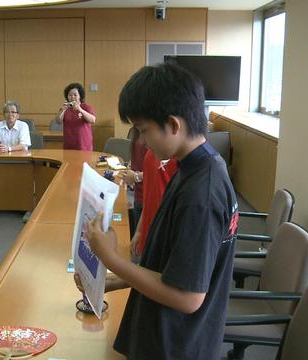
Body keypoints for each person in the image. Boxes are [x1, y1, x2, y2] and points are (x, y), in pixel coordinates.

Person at [75, 63, 238, 359]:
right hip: (166, 331)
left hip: (178, 343)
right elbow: (175, 264)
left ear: (174, 125)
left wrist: (110, 257)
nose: (140, 141)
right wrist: (115, 280)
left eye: (143, 130)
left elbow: (188, 297)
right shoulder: (194, 166)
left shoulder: (201, 193)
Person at [117, 127, 147, 239]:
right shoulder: (135, 130)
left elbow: (158, 172)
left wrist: (136, 176)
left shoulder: (154, 133)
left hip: (148, 195)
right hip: (138, 194)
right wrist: (130, 166)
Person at [54, 82, 96, 150]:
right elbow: (58, 121)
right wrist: (63, 110)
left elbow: (93, 120)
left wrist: (80, 109)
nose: (72, 97)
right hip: (69, 144)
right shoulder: (65, 108)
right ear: (67, 97)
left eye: (75, 95)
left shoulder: (86, 107)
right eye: (70, 95)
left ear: (80, 96)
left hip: (83, 145)